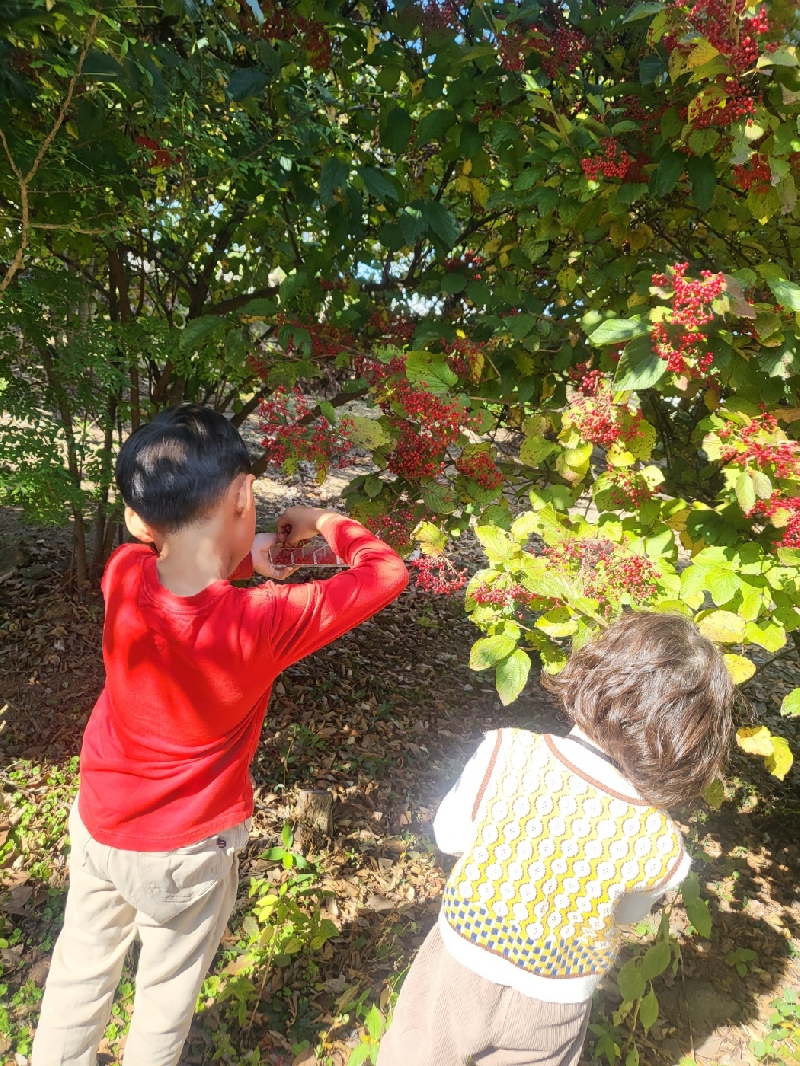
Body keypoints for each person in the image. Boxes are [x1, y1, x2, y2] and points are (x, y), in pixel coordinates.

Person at [32, 404, 408, 1066]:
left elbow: (179, 579)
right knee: (165, 995)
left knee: (80, 967)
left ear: (138, 521)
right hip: (186, 849)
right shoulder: (262, 623)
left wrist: (244, 557)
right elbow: (385, 572)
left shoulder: (123, 571)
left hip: (100, 824)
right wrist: (322, 519)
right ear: (243, 495)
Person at [378, 611, 734, 1066]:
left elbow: (449, 835)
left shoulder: (508, 752)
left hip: (460, 965)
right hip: (554, 1002)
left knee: (415, 1053)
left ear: (595, 671)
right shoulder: (660, 840)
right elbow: (627, 912)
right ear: (690, 741)